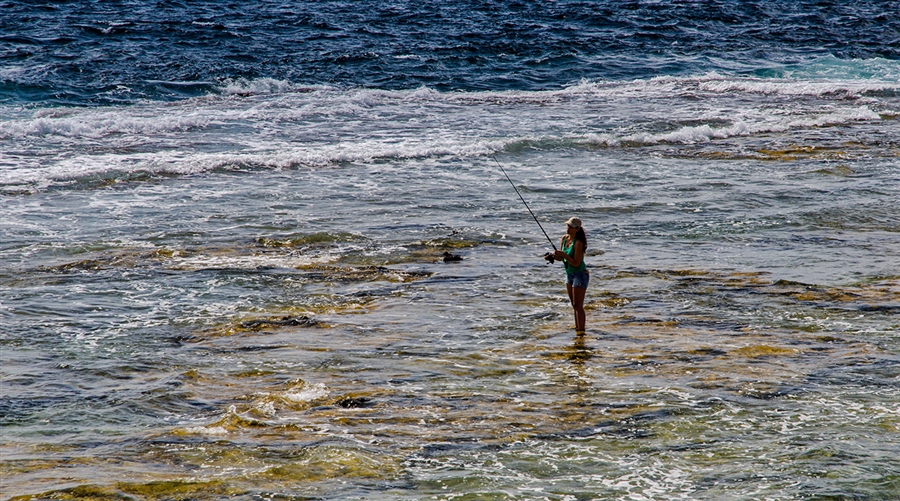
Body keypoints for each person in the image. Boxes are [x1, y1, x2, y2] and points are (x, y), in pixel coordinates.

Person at [552, 217, 589, 334]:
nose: (568, 229)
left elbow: (576, 262)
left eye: (571, 227)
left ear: (577, 229)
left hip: (580, 274)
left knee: (578, 305)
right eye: (567, 226)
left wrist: (563, 254)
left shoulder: (578, 242)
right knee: (574, 305)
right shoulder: (564, 239)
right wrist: (554, 256)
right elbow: (562, 258)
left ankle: (581, 330)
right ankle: (577, 328)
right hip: (569, 274)